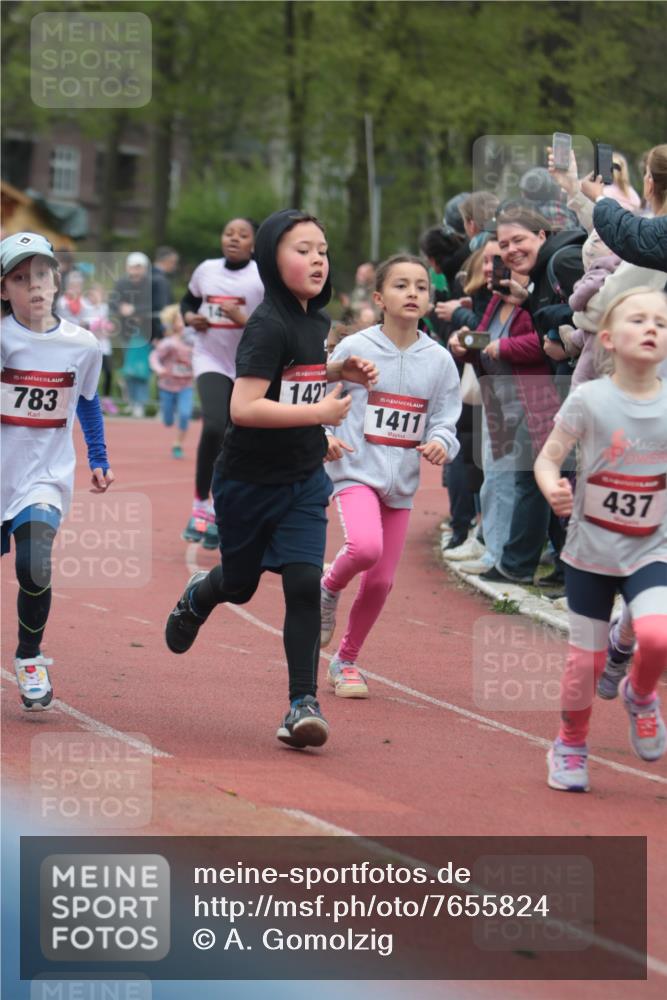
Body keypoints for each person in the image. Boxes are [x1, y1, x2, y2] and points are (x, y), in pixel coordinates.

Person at [164, 209, 378, 749]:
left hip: (303, 479)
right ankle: (200, 596)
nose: (317, 260)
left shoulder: (313, 321)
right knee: (240, 584)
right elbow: (244, 407)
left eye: (323, 251)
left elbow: (294, 379)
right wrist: (319, 416)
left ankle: (302, 704)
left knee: (305, 585)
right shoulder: (268, 324)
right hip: (247, 481)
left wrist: (334, 372)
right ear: (267, 259)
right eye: (302, 249)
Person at [535, 287, 667, 792]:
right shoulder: (589, 398)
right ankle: (570, 740)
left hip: (651, 547)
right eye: (638, 319)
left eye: (660, 320)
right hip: (591, 549)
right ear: (607, 339)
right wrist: (554, 489)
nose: (651, 327)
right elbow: (548, 459)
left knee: (657, 636)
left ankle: (639, 692)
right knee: (585, 662)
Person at [320, 255, 461, 697]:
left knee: (381, 581)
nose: (413, 293)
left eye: (421, 286)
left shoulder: (438, 360)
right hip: (355, 468)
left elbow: (445, 419)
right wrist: (323, 433)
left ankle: (346, 661)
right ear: (380, 298)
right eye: (402, 285)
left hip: (400, 484)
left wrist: (442, 442)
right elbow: (321, 396)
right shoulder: (355, 348)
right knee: (364, 547)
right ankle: (329, 586)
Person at [1, 232, 114, 710]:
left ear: (57, 279)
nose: (36, 286)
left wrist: (99, 456)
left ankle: (29, 657)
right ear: (4, 289)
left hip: (42, 477)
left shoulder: (83, 345)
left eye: (42, 275)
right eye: (22, 278)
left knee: (35, 562)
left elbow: (87, 403)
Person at [180, 218, 264, 548]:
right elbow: (188, 302)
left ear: (254, 244)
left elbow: (272, 320)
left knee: (235, 439)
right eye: (229, 232)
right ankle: (200, 506)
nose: (234, 238)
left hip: (247, 366)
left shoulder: (261, 277)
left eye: (243, 235)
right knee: (214, 426)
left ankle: (221, 508)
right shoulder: (206, 270)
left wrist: (243, 320)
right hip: (210, 358)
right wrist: (190, 318)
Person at [590, 144, 667, 270]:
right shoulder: (633, 196)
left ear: (650, 183)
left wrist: (598, 197)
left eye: (646, 172)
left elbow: (633, 233)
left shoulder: (650, 251)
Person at [110, 251, 153, 418]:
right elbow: (113, 302)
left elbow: (155, 304)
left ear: (144, 268)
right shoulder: (121, 283)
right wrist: (121, 308)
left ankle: (141, 403)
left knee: (142, 369)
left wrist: (136, 311)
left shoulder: (151, 284)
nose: (135, 271)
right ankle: (130, 401)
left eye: (138, 267)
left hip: (146, 332)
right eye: (132, 267)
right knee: (128, 369)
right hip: (126, 333)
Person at [149, 304, 194, 459]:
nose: (182, 323)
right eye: (179, 320)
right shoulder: (169, 343)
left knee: (185, 414)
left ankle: (177, 443)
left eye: (184, 320)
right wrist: (159, 369)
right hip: (167, 385)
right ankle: (168, 418)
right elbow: (154, 357)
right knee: (168, 420)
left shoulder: (194, 341)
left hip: (186, 386)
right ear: (172, 322)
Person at [151, 246, 180, 341]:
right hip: (157, 331)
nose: (174, 266)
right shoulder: (160, 279)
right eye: (173, 262)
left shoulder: (147, 274)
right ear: (167, 261)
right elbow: (162, 307)